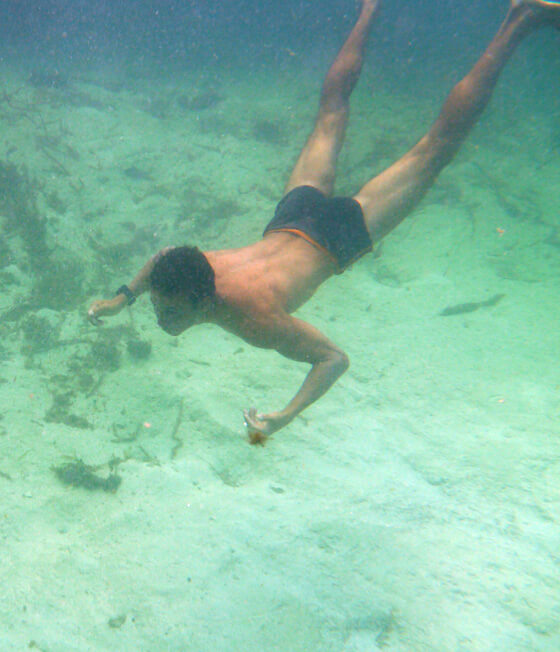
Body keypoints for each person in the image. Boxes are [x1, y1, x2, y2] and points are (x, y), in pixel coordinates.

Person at [87, 0, 560, 444]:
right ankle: (370, 5)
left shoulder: (255, 321)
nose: (162, 320)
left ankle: (519, 23)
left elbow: (334, 360)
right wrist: (122, 298)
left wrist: (285, 415)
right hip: (292, 218)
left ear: (204, 299)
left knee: (436, 147)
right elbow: (162, 258)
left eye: (171, 313)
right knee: (331, 110)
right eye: (159, 308)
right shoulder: (194, 267)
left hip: (338, 235)